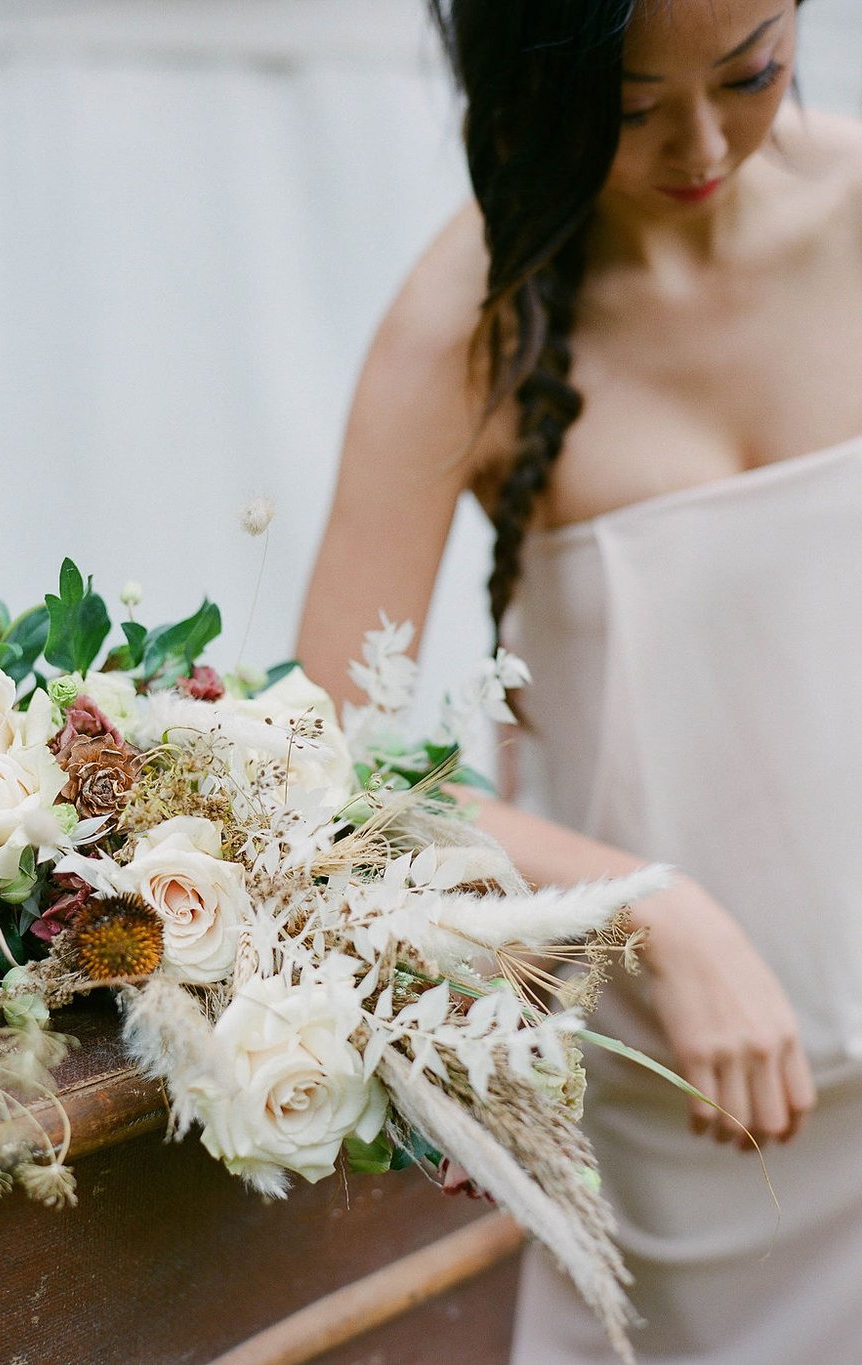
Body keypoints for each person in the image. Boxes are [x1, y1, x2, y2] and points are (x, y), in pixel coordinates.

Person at [296, 0, 862, 1360]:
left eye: (751, 75)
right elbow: (314, 775)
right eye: (625, 109)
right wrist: (650, 906)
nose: (704, 142)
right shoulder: (464, 330)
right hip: (703, 1135)